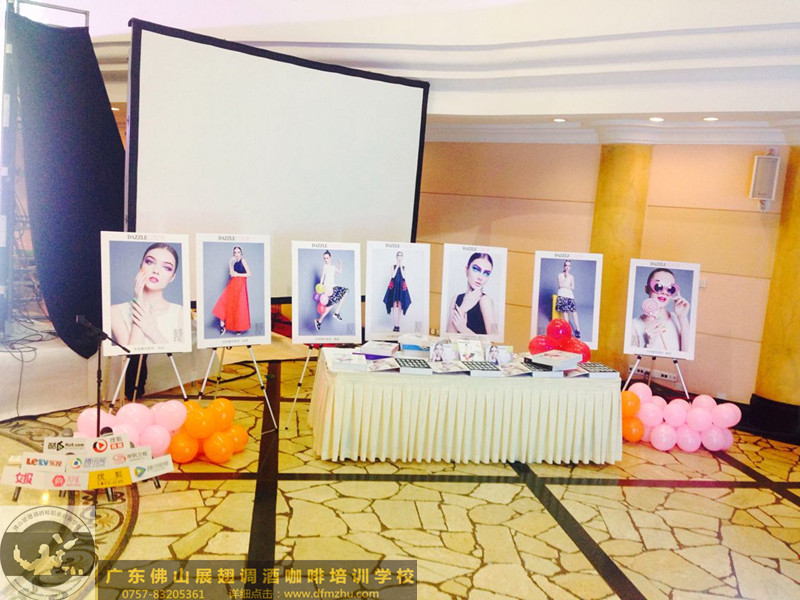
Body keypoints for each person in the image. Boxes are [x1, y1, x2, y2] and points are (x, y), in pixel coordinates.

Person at [110, 242, 184, 347]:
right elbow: (131, 355)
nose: (156, 271)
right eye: (150, 262)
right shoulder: (115, 311)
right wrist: (139, 301)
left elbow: (177, 356)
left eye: (167, 268)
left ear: (172, 277)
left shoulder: (180, 313)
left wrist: (152, 330)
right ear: (141, 266)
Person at [630, 268, 691, 352]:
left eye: (670, 288)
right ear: (647, 289)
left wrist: (682, 317)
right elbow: (634, 359)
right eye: (658, 286)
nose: (664, 292)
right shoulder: (633, 325)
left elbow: (687, 355)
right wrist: (649, 344)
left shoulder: (679, 319)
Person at [447, 252, 497, 336]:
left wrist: (463, 329)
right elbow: (449, 336)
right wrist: (463, 308)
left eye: (486, 273)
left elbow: (494, 338)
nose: (480, 277)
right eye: (476, 269)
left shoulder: (485, 300)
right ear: (466, 269)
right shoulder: (456, 298)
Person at [212, 245, 251, 335]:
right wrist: (230, 263)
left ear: (241, 253)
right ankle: (223, 325)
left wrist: (238, 274)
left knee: (239, 306)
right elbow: (232, 274)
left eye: (238, 252)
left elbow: (249, 274)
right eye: (235, 253)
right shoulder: (234, 262)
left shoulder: (243, 261)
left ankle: (238, 328)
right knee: (224, 302)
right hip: (233, 284)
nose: (237, 254)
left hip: (241, 285)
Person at [314, 250, 348, 331]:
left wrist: (340, 264)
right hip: (328, 288)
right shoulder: (325, 266)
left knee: (330, 305)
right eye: (324, 258)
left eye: (327, 258)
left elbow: (340, 272)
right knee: (331, 304)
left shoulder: (333, 267)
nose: (326, 260)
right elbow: (323, 276)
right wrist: (321, 287)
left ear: (330, 257)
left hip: (333, 286)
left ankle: (319, 321)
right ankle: (336, 313)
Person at [382, 251, 412, 332]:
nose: (399, 257)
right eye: (398, 255)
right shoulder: (393, 266)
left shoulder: (404, 267)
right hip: (394, 287)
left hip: (401, 288)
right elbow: (393, 276)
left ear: (402, 257)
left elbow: (404, 276)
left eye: (401, 255)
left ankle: (398, 325)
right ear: (396, 257)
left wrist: (400, 266)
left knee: (400, 306)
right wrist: (397, 265)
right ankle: (395, 325)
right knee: (394, 305)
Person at [555, 260, 581, 339]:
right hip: (562, 294)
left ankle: (578, 329)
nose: (567, 267)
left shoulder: (572, 277)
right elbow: (560, 285)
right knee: (565, 312)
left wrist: (566, 285)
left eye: (569, 266)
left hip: (569, 295)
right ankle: (568, 331)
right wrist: (566, 276)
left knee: (574, 312)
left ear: (570, 267)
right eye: (566, 265)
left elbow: (573, 287)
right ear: (564, 266)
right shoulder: (560, 275)